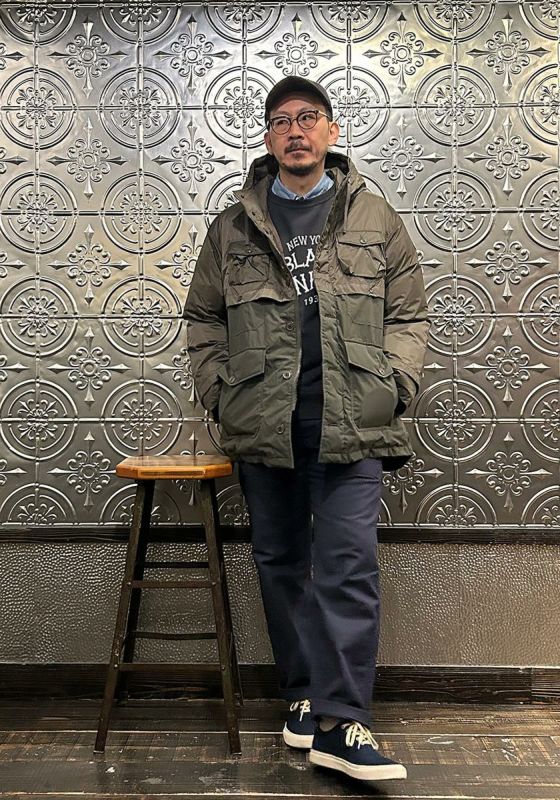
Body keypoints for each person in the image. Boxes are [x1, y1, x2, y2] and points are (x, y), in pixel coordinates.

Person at [183, 76, 428, 781]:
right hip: (266, 424)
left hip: (352, 423)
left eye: (309, 118)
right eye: (282, 120)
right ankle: (301, 695)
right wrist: (220, 394)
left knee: (349, 565)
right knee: (282, 562)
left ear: (332, 131)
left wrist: (395, 387)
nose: (296, 130)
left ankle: (343, 720)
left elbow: (409, 315)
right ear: (267, 137)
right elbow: (203, 318)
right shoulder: (233, 226)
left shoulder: (375, 217)